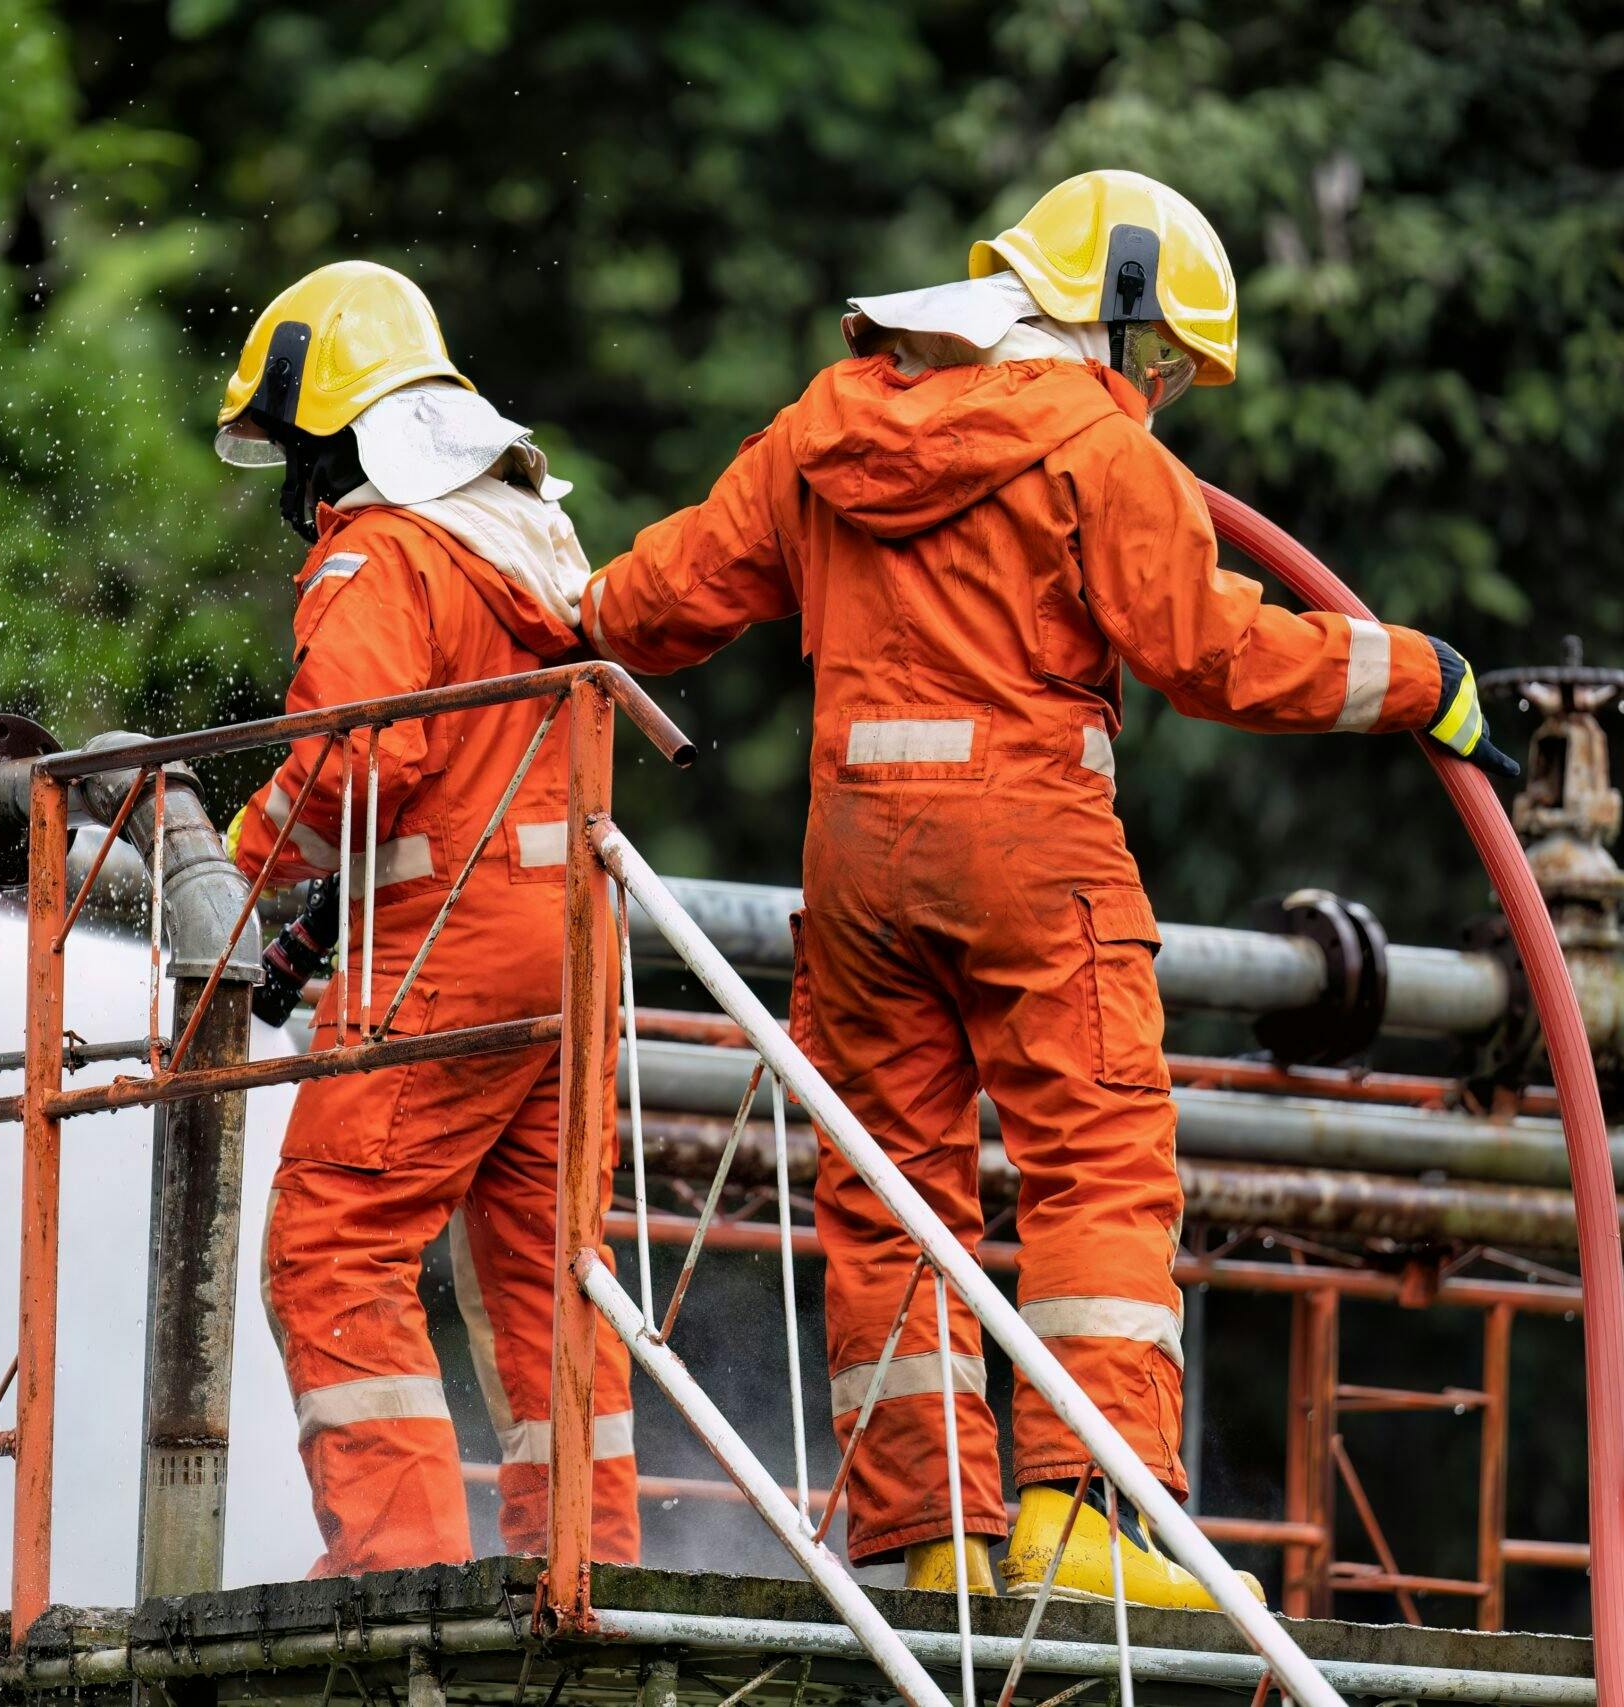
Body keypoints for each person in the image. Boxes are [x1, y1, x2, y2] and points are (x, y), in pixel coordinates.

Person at [578, 170, 1514, 1606]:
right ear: (1119, 315)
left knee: (888, 1186)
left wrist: (512, 576)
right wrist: (1415, 677)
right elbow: (1213, 653)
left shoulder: (820, 433)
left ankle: (932, 1533)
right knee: (1099, 1158)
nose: (1162, 394)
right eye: (1163, 363)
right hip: (1029, 843)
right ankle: (1082, 1511)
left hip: (854, 862)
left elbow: (646, 608)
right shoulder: (1100, 450)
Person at [217, 259, 641, 1574]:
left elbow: (361, 761)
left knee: (330, 1245)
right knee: (545, 1270)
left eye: (299, 447)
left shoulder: (380, 553)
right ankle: (582, 1556)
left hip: (447, 949)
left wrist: (241, 846)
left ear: (341, 433)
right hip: (573, 947)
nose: (298, 481)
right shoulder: (528, 544)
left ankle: (392, 1559)